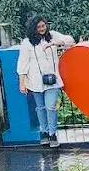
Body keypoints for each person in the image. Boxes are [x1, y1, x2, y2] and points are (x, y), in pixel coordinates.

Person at [17, 17, 74, 147]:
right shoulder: (27, 43)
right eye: (39, 27)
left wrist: (54, 43)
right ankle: (44, 131)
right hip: (35, 81)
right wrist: (22, 82)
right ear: (33, 28)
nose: (42, 29)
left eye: (43, 26)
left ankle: (53, 134)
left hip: (52, 80)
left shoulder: (52, 35)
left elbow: (69, 40)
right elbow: (23, 63)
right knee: (40, 108)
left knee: (50, 106)